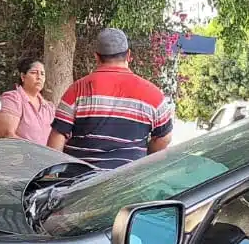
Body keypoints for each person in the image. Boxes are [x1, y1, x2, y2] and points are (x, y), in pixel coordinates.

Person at [48, 27, 173, 168]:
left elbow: (58, 136)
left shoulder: (77, 89)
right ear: (128, 55)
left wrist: (51, 175)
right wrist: (145, 154)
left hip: (79, 183)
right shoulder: (153, 94)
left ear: (96, 56)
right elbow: (164, 138)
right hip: (127, 183)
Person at [0, 56, 55, 143]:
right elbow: (7, 135)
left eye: (42, 74)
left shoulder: (49, 107)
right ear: (23, 76)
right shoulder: (12, 99)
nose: (39, 77)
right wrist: (36, 151)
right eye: (34, 73)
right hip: (18, 155)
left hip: (45, 155)